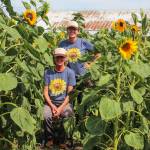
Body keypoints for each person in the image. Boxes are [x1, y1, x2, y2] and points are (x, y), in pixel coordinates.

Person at [43, 48, 76, 148]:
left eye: (61, 57)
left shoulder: (70, 73)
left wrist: (60, 108)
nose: (59, 59)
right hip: (50, 102)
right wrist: (52, 106)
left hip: (64, 102)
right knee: (46, 115)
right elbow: (45, 92)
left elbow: (70, 94)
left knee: (68, 114)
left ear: (65, 58)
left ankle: (62, 139)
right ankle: (50, 138)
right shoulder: (48, 72)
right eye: (57, 57)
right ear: (54, 58)